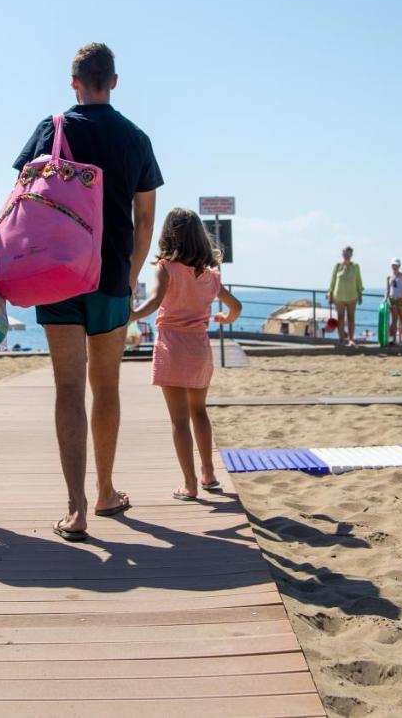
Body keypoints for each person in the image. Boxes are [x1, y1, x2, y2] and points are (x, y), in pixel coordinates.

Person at [14, 43, 163, 542]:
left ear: (73, 80)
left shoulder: (51, 127)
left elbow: (25, 198)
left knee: (68, 388)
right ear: (114, 82)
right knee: (107, 387)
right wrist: (129, 272)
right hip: (110, 277)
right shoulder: (136, 139)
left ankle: (75, 508)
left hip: (56, 274)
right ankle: (104, 490)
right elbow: (145, 219)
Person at [129, 209, 242, 501]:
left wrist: (131, 317)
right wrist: (225, 320)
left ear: (168, 234)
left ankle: (190, 484)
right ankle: (209, 474)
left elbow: (154, 302)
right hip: (199, 349)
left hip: (171, 346)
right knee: (199, 412)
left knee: (179, 421)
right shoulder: (211, 275)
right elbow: (236, 307)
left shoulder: (166, 267)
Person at [327, 246, 363, 347]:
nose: (346, 256)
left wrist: (360, 295)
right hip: (338, 297)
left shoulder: (356, 266)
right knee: (340, 318)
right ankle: (341, 339)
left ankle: (351, 339)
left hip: (352, 297)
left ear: (351, 255)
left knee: (351, 318)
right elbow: (333, 281)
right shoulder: (337, 266)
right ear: (342, 254)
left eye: (348, 254)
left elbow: (359, 281)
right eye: (345, 254)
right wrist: (330, 294)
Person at [385, 258, 402, 346]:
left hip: (401, 300)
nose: (395, 267)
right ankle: (394, 339)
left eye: (396, 265)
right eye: (393, 265)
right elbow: (388, 290)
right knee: (394, 320)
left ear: (399, 266)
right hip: (393, 300)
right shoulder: (389, 277)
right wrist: (386, 298)